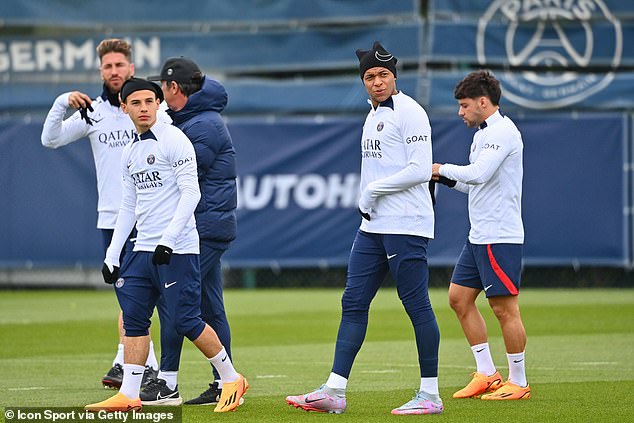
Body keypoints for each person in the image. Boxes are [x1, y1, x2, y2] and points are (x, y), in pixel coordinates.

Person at [286, 41, 443, 415]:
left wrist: (372, 191)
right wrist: (368, 199)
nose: (376, 82)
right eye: (370, 76)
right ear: (363, 81)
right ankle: (335, 391)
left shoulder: (411, 112)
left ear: (394, 76)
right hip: (372, 227)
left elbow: (421, 169)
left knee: (416, 304)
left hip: (406, 223)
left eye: (382, 75)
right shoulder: (371, 115)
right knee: (353, 302)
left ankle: (430, 395)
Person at [84, 78, 248, 413]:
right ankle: (130, 394)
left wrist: (169, 241)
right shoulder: (131, 150)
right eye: (136, 103)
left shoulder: (175, 140)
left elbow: (192, 193)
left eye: (149, 101)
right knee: (133, 320)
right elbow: (128, 206)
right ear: (124, 107)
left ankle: (231, 377)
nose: (144, 108)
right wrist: (112, 254)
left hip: (178, 248)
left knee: (186, 320)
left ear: (159, 102)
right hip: (141, 249)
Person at [40, 38, 159, 388]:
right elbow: (50, 139)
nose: (114, 71)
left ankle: (137, 365)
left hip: (149, 216)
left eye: (120, 65)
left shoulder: (145, 106)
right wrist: (62, 101)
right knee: (127, 293)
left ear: (131, 68)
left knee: (140, 295)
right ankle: (130, 362)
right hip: (111, 217)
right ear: (101, 71)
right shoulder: (93, 112)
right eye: (108, 66)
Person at [140, 57, 238, 406]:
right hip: (205, 225)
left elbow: (177, 181)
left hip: (202, 227)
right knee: (210, 307)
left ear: (173, 89)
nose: (159, 97)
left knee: (174, 302)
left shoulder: (201, 126)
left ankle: (167, 382)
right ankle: (225, 381)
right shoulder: (194, 120)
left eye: (162, 89)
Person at [431, 70, 530, 400]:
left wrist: (439, 169)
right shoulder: (482, 135)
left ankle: (519, 381)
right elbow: (471, 183)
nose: (461, 112)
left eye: (464, 105)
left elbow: (478, 173)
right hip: (479, 236)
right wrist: (441, 177)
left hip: (499, 236)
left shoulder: (502, 132)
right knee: (458, 299)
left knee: (504, 309)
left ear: (483, 102)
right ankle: (487, 374)